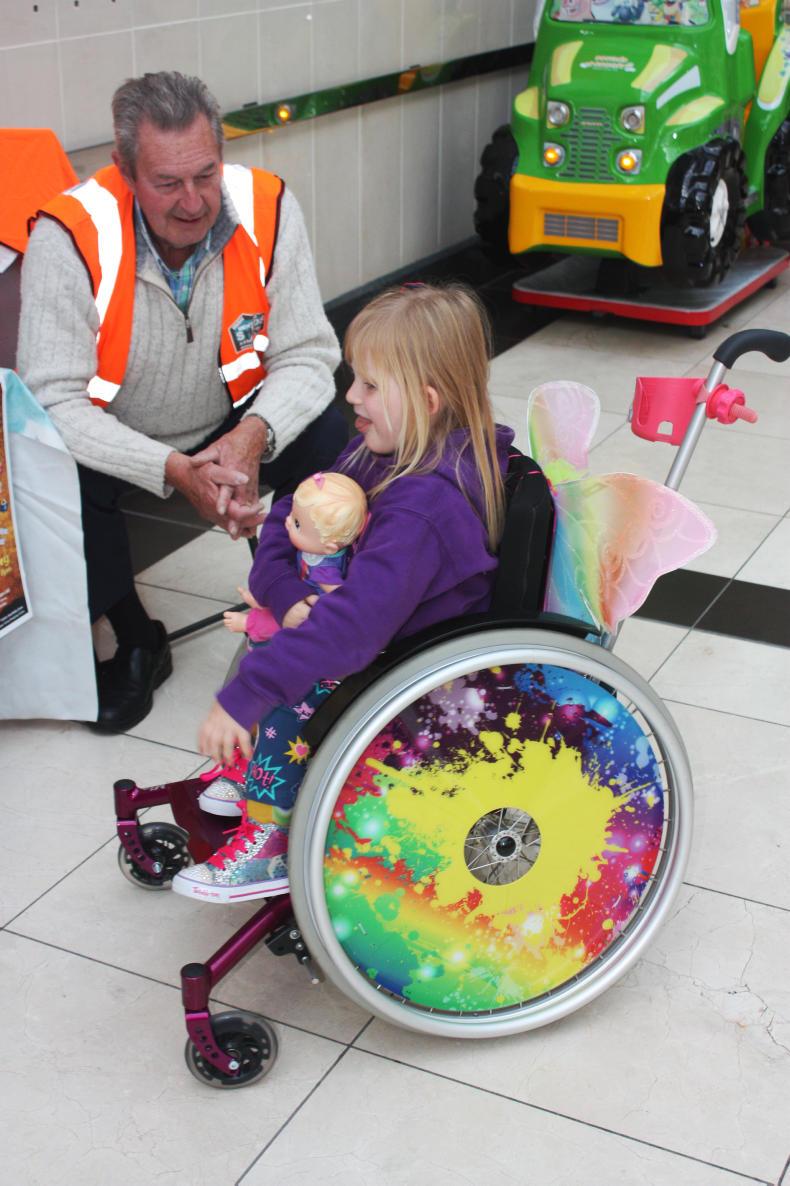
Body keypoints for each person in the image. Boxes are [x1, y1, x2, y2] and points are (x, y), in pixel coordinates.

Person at [16, 71, 346, 733]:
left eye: (206, 174)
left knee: (335, 437)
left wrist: (254, 434)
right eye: (167, 183)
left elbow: (310, 352)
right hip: (120, 433)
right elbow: (51, 399)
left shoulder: (268, 207)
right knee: (50, 467)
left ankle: (316, 608)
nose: (194, 202)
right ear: (124, 169)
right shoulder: (69, 235)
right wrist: (170, 468)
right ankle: (137, 637)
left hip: (234, 414)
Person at [171, 282, 512, 903]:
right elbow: (290, 513)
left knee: (286, 693)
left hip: (409, 674)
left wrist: (242, 700)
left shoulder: (423, 507)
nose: (351, 395)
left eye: (371, 385)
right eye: (355, 378)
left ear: (427, 400)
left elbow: (352, 632)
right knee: (274, 650)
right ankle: (260, 774)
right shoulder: (380, 450)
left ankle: (272, 843)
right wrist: (282, 594)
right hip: (374, 639)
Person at [222, 471, 368, 645]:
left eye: (297, 523)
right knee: (277, 600)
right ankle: (263, 602)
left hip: (311, 604)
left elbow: (341, 595)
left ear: (329, 547)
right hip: (299, 583)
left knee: (278, 624)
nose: (288, 521)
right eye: (293, 514)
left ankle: (249, 623)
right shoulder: (317, 545)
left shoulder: (324, 570)